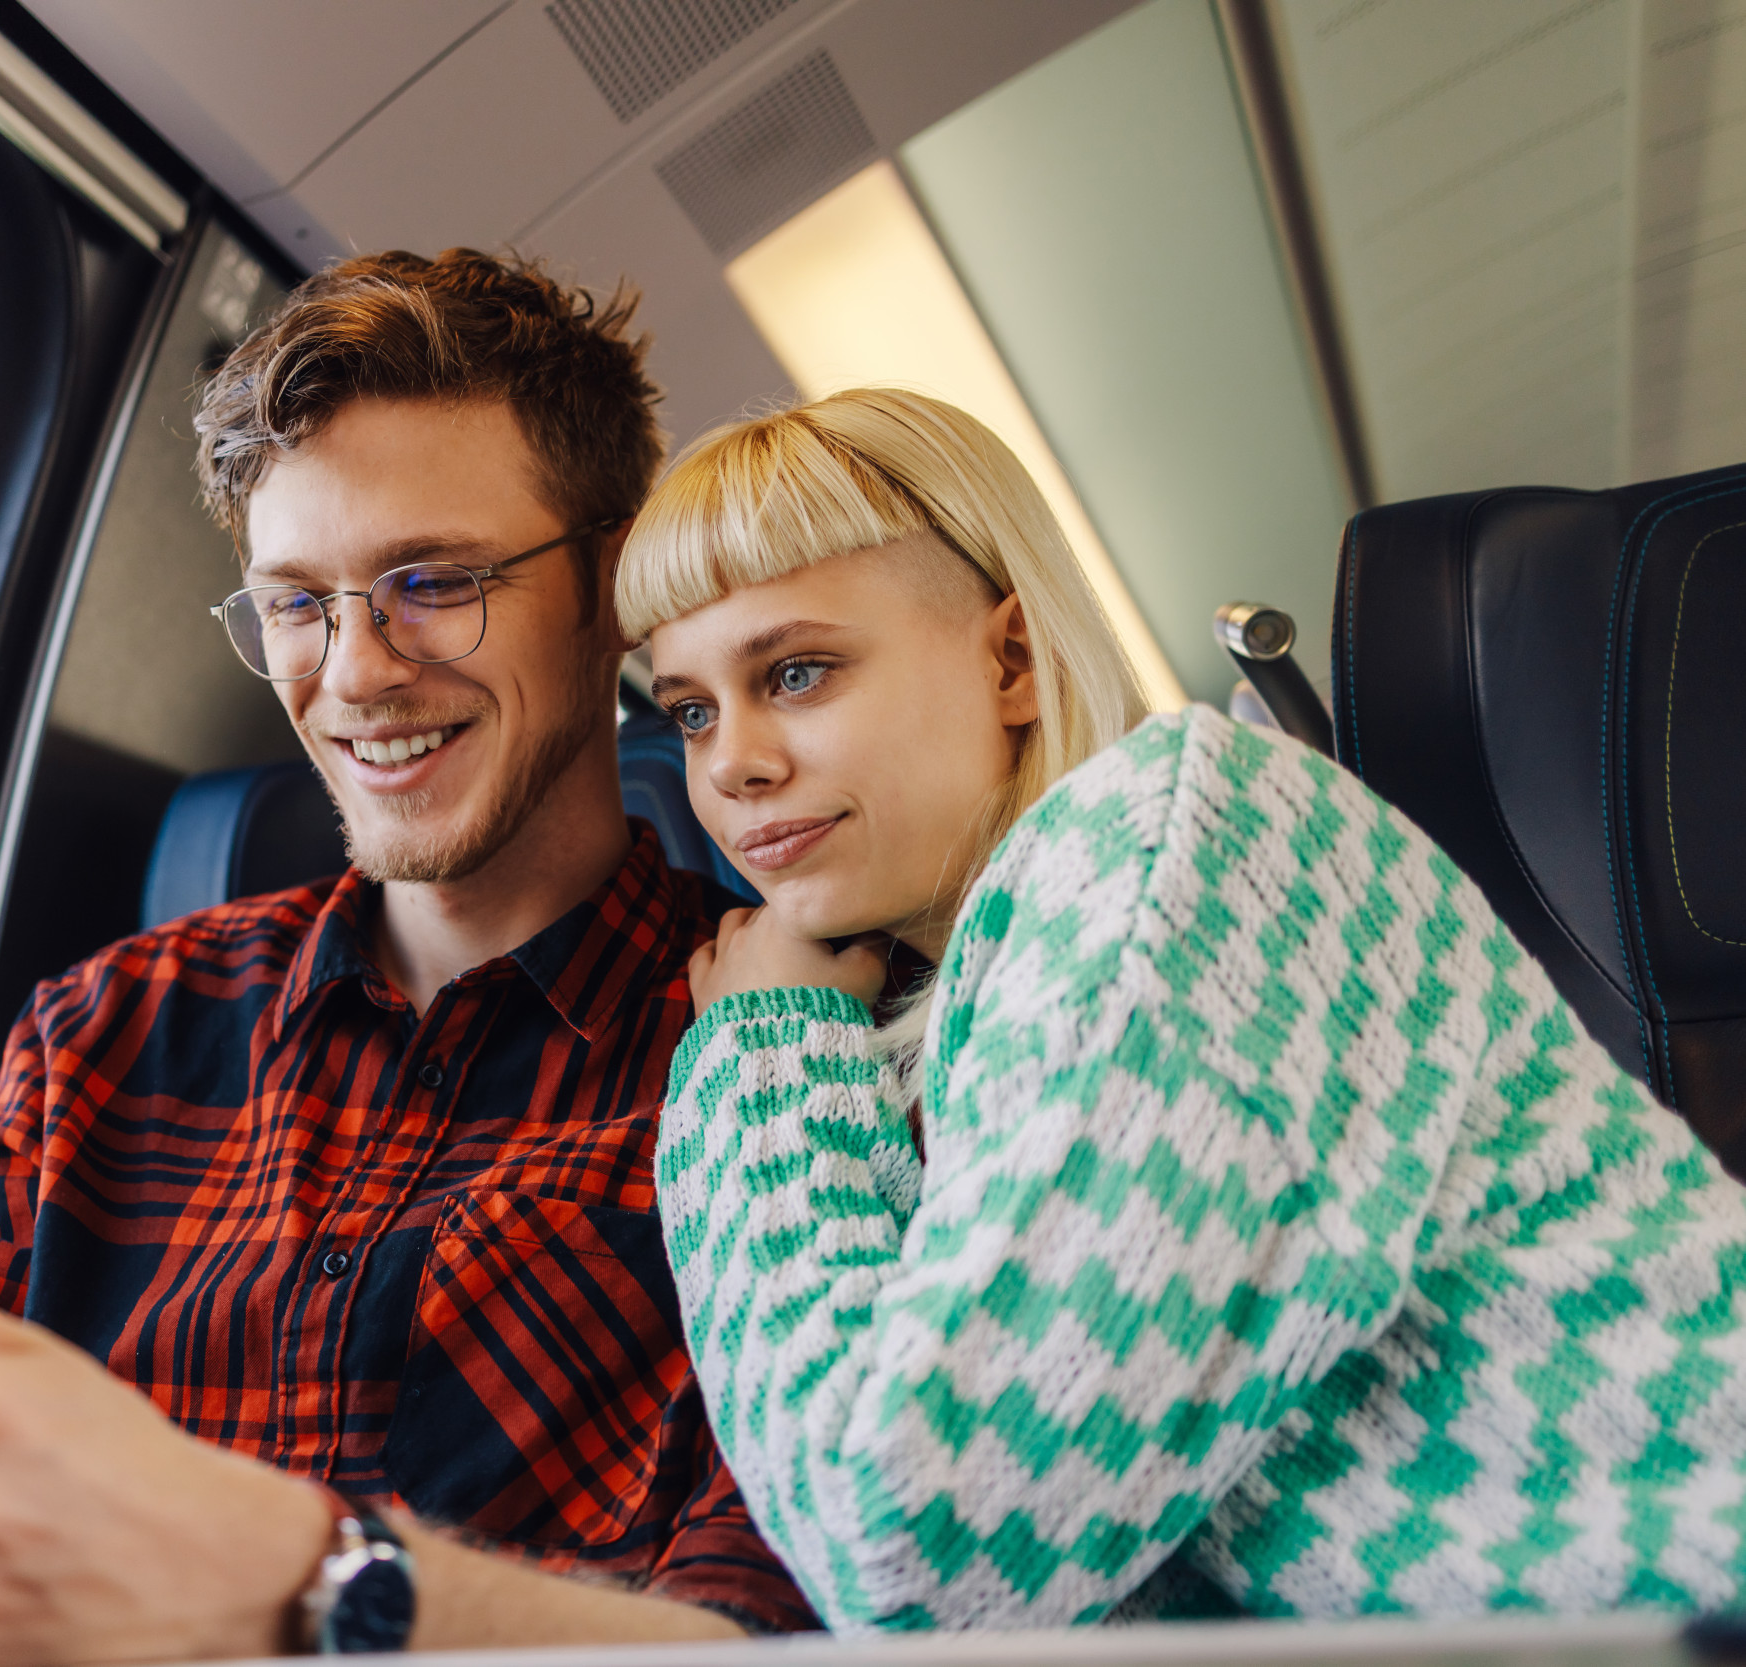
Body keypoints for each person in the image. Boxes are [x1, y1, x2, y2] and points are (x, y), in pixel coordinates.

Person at [0, 249, 817, 1667]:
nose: (357, 670)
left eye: (432, 580)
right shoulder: (100, 1034)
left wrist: (292, 1580)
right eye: (297, 603)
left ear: (614, 583)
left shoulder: (786, 1058)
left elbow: (771, 1632)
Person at [620, 384, 1746, 1632]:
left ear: (1008, 658)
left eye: (796, 670)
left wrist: (763, 1064)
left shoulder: (1175, 844)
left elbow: (912, 1558)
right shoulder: (962, 1009)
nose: (730, 764)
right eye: (689, 711)